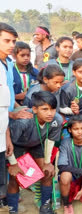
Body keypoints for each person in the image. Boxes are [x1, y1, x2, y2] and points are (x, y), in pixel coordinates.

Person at [7, 91, 62, 214]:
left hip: (37, 143)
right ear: (35, 109)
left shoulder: (56, 119)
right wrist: (13, 164)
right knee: (14, 178)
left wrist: (48, 162)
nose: (50, 113)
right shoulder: (23, 121)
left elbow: (50, 139)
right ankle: (13, 210)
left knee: (48, 172)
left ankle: (45, 208)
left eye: (53, 109)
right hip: (16, 145)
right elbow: (8, 143)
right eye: (45, 109)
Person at [0, 22, 17, 209]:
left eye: (13, 41)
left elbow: (5, 101)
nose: (11, 44)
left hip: (4, 125)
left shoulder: (7, 64)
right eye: (6, 40)